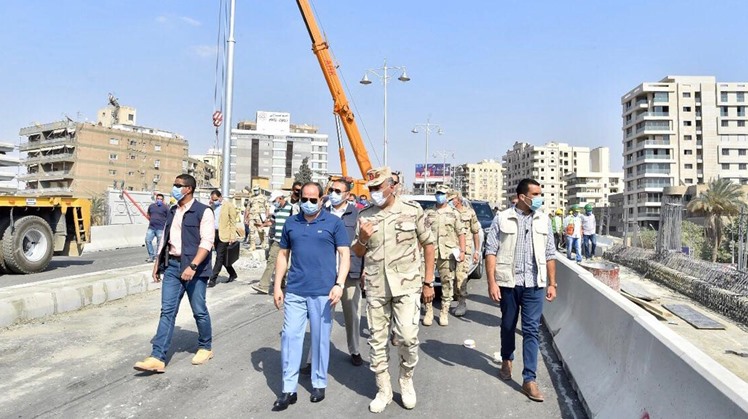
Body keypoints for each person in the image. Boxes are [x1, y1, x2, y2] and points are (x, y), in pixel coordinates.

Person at [352, 167, 435, 413]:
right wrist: (363, 239)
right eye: (371, 188)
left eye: (378, 187)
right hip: (377, 286)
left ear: (392, 186)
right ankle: (383, 388)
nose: (374, 192)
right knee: (377, 340)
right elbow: (358, 252)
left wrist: (428, 281)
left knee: (408, 336)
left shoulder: (412, 211)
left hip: (407, 284)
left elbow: (428, 245)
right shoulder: (365, 215)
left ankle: (406, 379)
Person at [271, 182, 350, 411]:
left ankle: (318, 382)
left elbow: (344, 255)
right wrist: (278, 286)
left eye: (313, 199)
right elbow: (283, 255)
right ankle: (288, 389)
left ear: (321, 199)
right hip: (295, 291)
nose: (308, 203)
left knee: (319, 339)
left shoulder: (333, 223)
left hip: (323, 293)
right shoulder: (291, 223)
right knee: (290, 337)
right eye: (304, 198)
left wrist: (339, 284)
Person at [485, 178, 557, 403]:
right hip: (509, 283)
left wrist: (552, 283)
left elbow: (550, 253)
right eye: (535, 194)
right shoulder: (502, 218)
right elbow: (491, 251)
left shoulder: (544, 220)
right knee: (507, 325)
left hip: (535, 284)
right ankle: (507, 359)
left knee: (531, 331)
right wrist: (492, 282)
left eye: (540, 194)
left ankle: (529, 379)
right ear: (523, 196)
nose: (539, 198)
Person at [134, 174, 216, 373]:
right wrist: (157, 263)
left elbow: (207, 242)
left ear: (188, 189)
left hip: (194, 269)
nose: (174, 188)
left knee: (199, 310)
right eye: (174, 184)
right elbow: (165, 238)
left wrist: (193, 266)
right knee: (167, 311)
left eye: (178, 185)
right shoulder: (172, 211)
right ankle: (157, 356)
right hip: (172, 266)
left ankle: (205, 346)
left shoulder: (203, 211)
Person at [423, 185, 465, 327]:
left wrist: (463, 251)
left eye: (442, 193)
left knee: (447, 282)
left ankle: (444, 311)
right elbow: (421, 233)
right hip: (430, 252)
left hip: (447, 253)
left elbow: (461, 233)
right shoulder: (429, 212)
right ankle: (428, 311)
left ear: (447, 196)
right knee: (427, 281)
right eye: (437, 193)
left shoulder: (454, 213)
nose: (439, 196)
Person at [448, 190, 481, 317]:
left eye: (452, 199)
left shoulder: (469, 212)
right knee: (449, 277)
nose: (450, 202)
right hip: (450, 248)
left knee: (461, 276)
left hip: (464, 249)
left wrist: (476, 251)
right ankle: (449, 300)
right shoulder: (449, 212)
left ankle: (462, 303)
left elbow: (475, 232)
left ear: (458, 199)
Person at [253, 191, 292, 294]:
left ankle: (281, 282)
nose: (274, 203)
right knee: (271, 261)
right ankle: (264, 285)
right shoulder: (276, 209)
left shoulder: (291, 208)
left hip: (290, 241)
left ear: (280, 198)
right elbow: (272, 222)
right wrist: (263, 225)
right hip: (278, 240)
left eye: (275, 200)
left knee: (285, 262)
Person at [208, 190, 239, 288]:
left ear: (220, 197)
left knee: (219, 257)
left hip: (225, 234)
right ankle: (233, 273)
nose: (214, 201)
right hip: (215, 234)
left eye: (216, 199)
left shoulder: (228, 206)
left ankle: (213, 279)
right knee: (223, 257)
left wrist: (232, 236)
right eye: (213, 200)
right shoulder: (212, 206)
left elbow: (233, 222)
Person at [145, 193, 168, 263]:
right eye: (158, 199)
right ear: (156, 199)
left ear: (163, 200)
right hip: (151, 227)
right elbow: (148, 214)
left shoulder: (166, 207)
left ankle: (158, 258)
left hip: (160, 228)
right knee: (147, 240)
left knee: (159, 244)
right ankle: (151, 256)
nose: (159, 200)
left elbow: (168, 217)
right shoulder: (151, 206)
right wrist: (151, 220)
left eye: (161, 199)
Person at [247, 185, 270, 250]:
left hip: (260, 217)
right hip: (252, 216)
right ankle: (252, 246)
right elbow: (248, 208)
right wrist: (246, 218)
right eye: (254, 190)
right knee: (251, 231)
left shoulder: (263, 197)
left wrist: (266, 217)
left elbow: (267, 207)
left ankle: (263, 243)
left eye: (256, 190)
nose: (255, 191)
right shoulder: (251, 198)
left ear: (259, 190)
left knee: (260, 230)